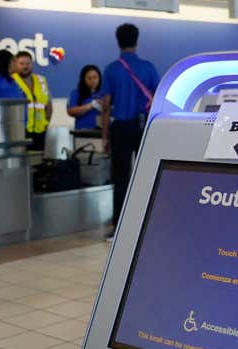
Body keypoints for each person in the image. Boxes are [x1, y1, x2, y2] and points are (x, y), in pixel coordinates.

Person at [100, 23, 160, 239]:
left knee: (121, 177)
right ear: (137, 40)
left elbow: (106, 105)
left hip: (121, 128)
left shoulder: (111, 69)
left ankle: (118, 226)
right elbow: (158, 101)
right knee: (147, 175)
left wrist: (105, 135)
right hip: (144, 128)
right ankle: (148, 223)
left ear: (118, 41)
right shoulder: (149, 67)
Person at [12, 51, 53, 151]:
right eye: (21, 63)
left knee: (38, 161)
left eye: (28, 63)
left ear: (32, 64)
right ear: (15, 65)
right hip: (20, 130)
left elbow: (48, 104)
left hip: (40, 130)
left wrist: (46, 124)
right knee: (22, 162)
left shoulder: (41, 80)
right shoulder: (11, 81)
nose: (25, 66)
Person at [67, 65, 103, 130]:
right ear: (84, 79)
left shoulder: (105, 92)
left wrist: (105, 107)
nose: (93, 80)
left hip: (102, 131)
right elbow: (71, 111)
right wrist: (90, 106)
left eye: (95, 77)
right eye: (89, 78)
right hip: (83, 130)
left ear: (99, 78)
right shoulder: (76, 93)